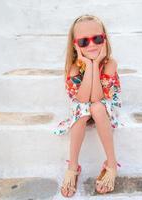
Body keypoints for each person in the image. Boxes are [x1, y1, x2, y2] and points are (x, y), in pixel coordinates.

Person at [52, 14, 122, 197]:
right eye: (84, 42)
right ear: (75, 45)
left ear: (105, 40)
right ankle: (73, 167)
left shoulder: (110, 64)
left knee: (97, 107)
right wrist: (89, 66)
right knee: (83, 110)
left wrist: (97, 62)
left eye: (97, 39)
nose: (92, 45)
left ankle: (112, 164)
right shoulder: (74, 67)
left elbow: (98, 98)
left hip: (104, 107)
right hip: (82, 108)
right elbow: (83, 100)